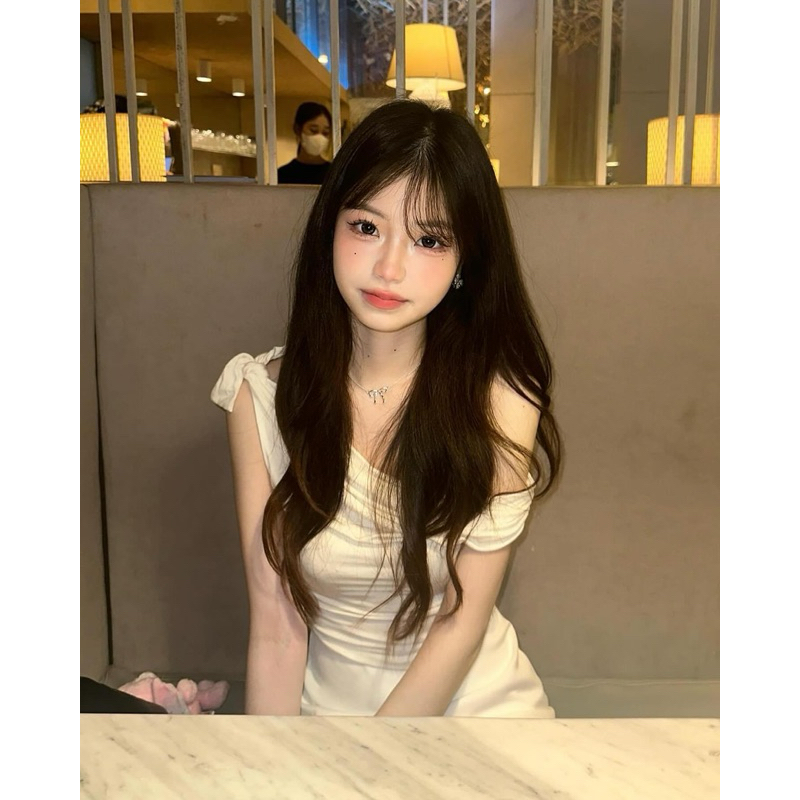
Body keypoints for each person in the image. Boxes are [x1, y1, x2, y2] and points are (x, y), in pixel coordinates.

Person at [211, 99, 562, 717]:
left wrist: (374, 761)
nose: (389, 267)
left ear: (464, 260)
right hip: (327, 719)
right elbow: (275, 626)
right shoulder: (259, 396)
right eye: (367, 227)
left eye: (429, 239)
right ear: (331, 228)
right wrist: (271, 760)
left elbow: (460, 621)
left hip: (473, 711)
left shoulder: (504, 398)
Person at [277, 102, 332, 185]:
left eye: (325, 132)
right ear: (298, 129)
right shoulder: (282, 175)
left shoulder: (334, 174)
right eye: (313, 130)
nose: (320, 137)